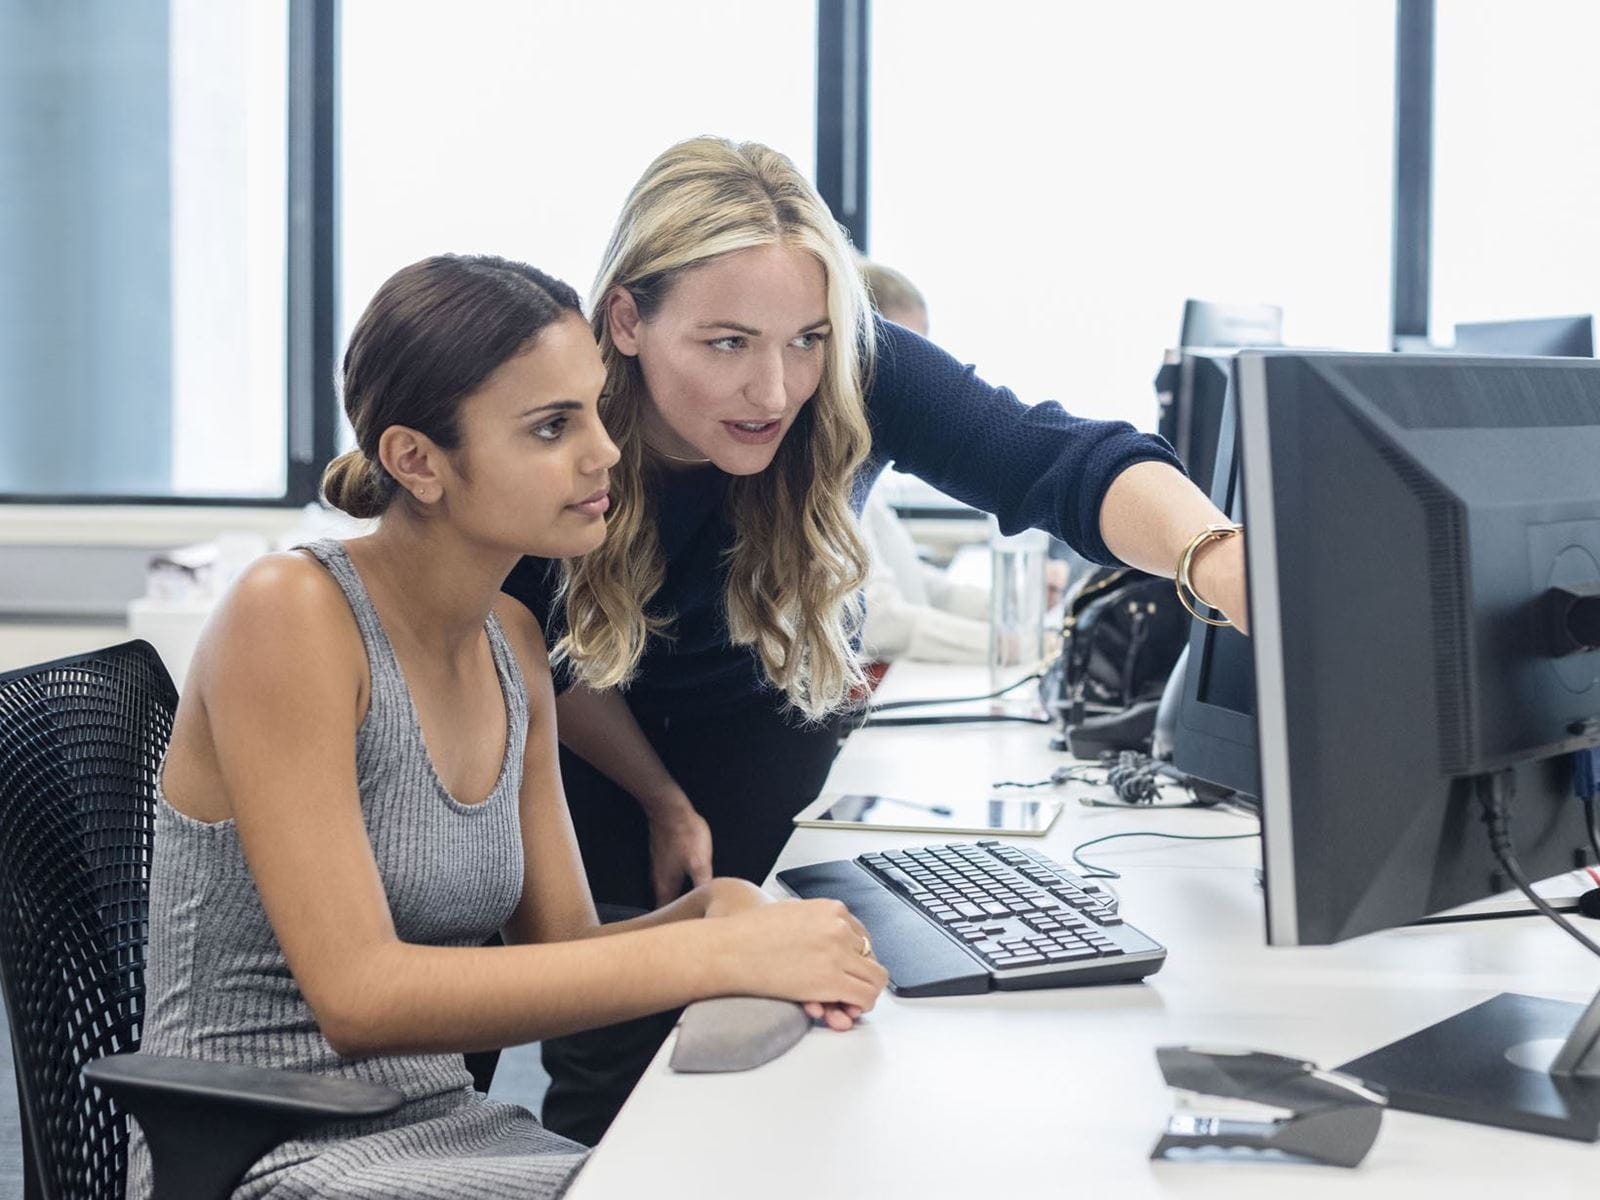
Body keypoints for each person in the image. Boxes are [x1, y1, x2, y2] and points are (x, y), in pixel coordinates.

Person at [505, 137, 1248, 1143]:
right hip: (589, 759)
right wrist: (659, 797)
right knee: (618, 1075)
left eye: (805, 339)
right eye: (726, 343)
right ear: (628, 320)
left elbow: (1055, 459)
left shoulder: (854, 365)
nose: (774, 390)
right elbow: (534, 647)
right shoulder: (561, 414)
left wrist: (1218, 559)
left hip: (765, 740)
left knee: (803, 1075)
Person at [127, 254, 888, 1200]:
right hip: (271, 1149)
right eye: (551, 427)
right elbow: (359, 996)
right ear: (417, 460)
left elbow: (557, 952)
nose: (604, 451)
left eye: (597, 413)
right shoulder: (291, 614)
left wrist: (716, 909)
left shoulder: (514, 640)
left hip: (448, 1127)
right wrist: (712, 954)